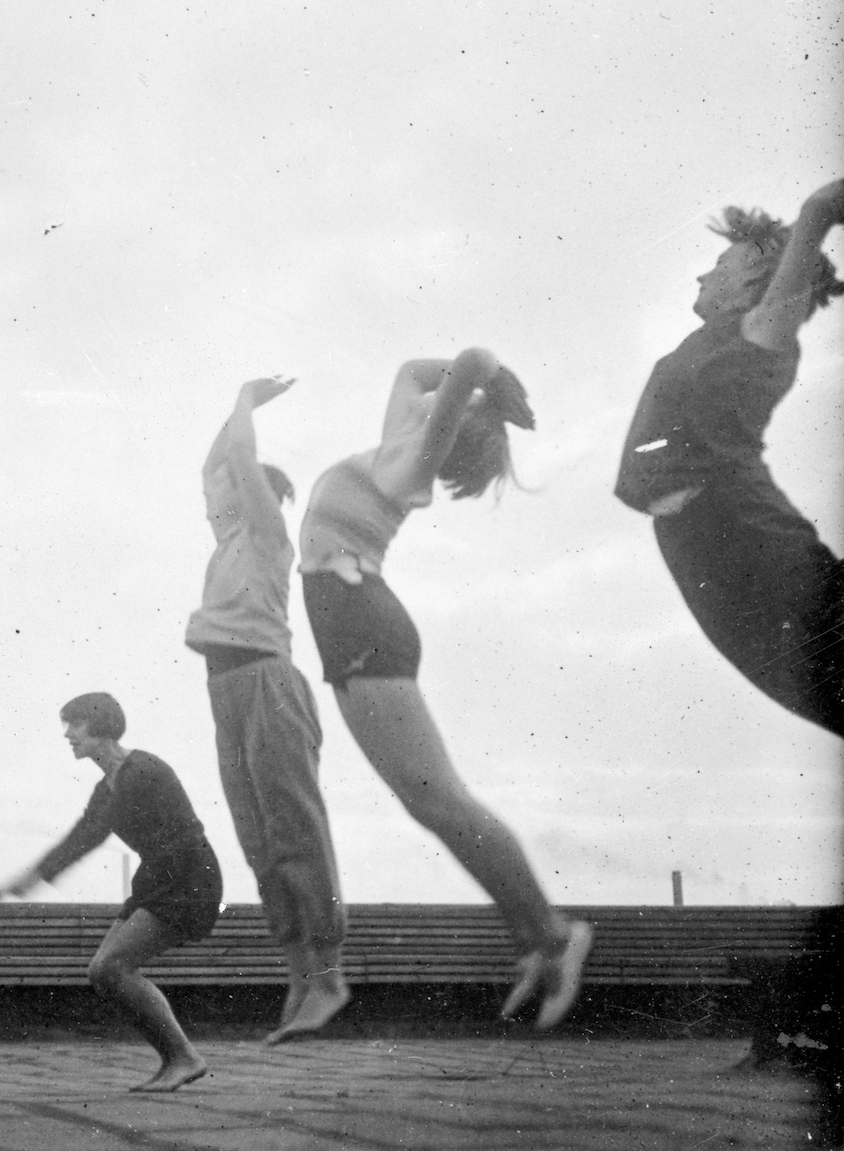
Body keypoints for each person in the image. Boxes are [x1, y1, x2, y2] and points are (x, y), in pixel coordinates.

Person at [298, 349, 592, 1030]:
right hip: (352, 630)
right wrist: (477, 385)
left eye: (445, 411)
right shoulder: (397, 445)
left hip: (365, 625)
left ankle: (554, 935)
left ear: (451, 429)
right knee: (430, 806)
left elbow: (467, 364)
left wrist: (497, 383)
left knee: (445, 801)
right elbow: (411, 371)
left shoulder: (411, 463)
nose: (427, 405)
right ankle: (538, 939)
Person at [616, 180, 844, 737]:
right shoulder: (708, 341)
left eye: (720, 262)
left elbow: (817, 212)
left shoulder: (761, 332)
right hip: (708, 567)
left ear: (753, 276)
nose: (702, 274)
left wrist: (816, 214)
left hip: (757, 545)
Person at [186, 377, 348, 1044]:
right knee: (259, 839)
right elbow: (211, 464)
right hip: (225, 692)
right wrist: (233, 407)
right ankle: (298, 975)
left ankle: (329, 975)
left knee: (294, 829)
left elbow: (238, 464)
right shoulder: (225, 542)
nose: (212, 491)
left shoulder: (266, 536)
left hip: (267, 685)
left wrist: (247, 404)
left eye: (226, 485)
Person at [0, 693, 222, 1092]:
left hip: (187, 879)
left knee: (113, 967)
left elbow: (89, 837)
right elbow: (81, 836)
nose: (67, 734)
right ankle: (176, 1059)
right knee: (103, 971)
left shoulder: (142, 770)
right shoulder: (106, 787)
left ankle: (183, 1058)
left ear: (101, 726)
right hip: (157, 880)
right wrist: (18, 883)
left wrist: (22, 882)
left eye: (74, 724)